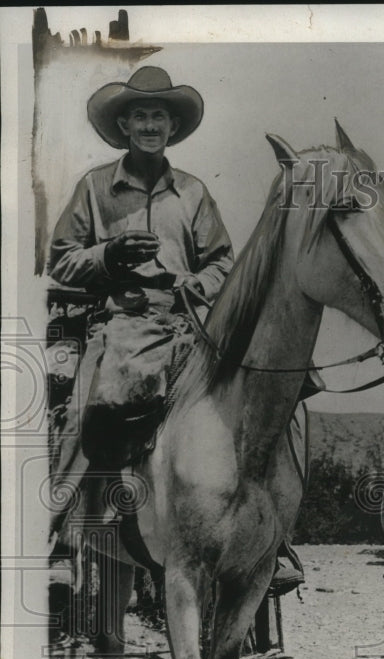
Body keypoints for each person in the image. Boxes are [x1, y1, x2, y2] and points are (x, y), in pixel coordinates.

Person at [48, 65, 302, 591]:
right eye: (139, 115)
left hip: (187, 330)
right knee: (84, 406)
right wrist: (109, 256)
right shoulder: (94, 189)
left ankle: (271, 540)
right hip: (120, 326)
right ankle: (62, 541)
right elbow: (62, 261)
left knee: (274, 397)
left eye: (158, 116)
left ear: (171, 126)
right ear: (124, 126)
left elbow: (223, 264)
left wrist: (186, 280)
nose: (148, 125)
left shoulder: (192, 194)